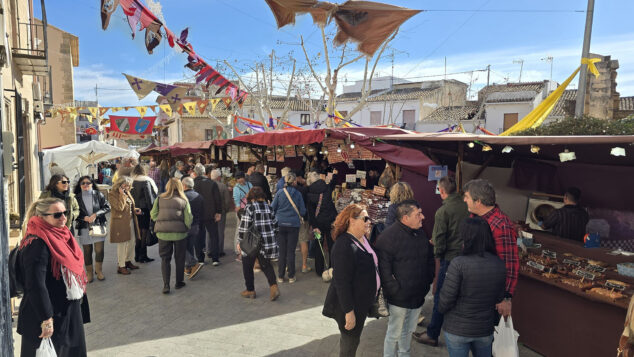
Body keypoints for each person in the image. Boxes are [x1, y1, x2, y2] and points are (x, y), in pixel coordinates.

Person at [17, 198, 90, 357]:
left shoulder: (64, 236)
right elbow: (35, 285)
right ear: (42, 217)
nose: (63, 218)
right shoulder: (37, 243)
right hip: (47, 316)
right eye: (57, 215)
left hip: (68, 312)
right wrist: (46, 319)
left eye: (65, 213)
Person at [438, 218, 506, 357]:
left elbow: (446, 299)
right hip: (484, 329)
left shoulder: (458, 263)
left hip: (457, 328)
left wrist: (440, 310)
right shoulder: (499, 264)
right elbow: (499, 297)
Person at [414, 176, 469, 347]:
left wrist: (436, 250)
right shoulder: (467, 206)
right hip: (467, 258)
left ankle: (432, 334)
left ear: (442, 191)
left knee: (440, 296)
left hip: (450, 259)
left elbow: (439, 239)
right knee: (461, 297)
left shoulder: (443, 211)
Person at [375, 200, 434, 357]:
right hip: (398, 299)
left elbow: (429, 259)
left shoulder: (421, 233)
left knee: (408, 331)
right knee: (394, 333)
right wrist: (394, 290)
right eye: (418, 214)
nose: (423, 217)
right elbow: (383, 270)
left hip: (417, 295)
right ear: (405, 218)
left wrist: (427, 282)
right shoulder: (387, 237)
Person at [322, 204, 377, 357]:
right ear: (352, 221)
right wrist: (349, 312)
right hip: (351, 306)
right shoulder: (344, 245)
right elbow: (341, 282)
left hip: (361, 302)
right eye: (365, 218)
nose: (369, 222)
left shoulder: (362, 239)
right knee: (349, 345)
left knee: (352, 342)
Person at [463, 179, 518, 318]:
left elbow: (509, 263)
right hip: (472, 288)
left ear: (478, 201)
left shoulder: (501, 225)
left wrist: (506, 297)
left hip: (490, 293)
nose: (464, 200)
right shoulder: (475, 218)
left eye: (467, 197)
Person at [237, 187, 280, 301]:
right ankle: (273, 286)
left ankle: (250, 290)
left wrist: (239, 241)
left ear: (252, 197)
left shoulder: (250, 208)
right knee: (266, 265)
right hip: (266, 243)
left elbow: (244, 227)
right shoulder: (269, 208)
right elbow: (276, 225)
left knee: (247, 266)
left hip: (252, 243)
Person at [151, 178, 193, 294]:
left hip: (163, 234)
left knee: (165, 259)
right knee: (179, 259)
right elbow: (188, 218)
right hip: (180, 234)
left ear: (168, 186)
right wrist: (186, 227)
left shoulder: (160, 198)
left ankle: (166, 285)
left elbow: (153, 214)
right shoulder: (184, 199)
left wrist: (160, 221)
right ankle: (179, 282)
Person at [73, 176, 111, 282]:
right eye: (83, 183)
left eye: (88, 183)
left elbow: (107, 207)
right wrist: (83, 217)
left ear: (92, 184)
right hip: (84, 227)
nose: (85, 185)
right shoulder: (76, 198)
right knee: (87, 251)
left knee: (99, 250)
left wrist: (96, 214)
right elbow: (73, 212)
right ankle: (89, 273)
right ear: (80, 185)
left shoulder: (99, 194)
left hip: (98, 225)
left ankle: (99, 271)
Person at [271, 172, 306, 284]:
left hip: (280, 224)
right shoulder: (298, 194)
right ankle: (291, 276)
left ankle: (280, 276)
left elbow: (272, 208)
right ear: (294, 181)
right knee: (291, 251)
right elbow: (303, 211)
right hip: (293, 225)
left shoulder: (279, 193)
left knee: (282, 251)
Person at [306, 170, 338, 277]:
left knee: (318, 245)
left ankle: (319, 270)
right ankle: (332, 268)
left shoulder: (309, 193)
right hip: (330, 222)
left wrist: (314, 226)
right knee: (331, 244)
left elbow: (310, 212)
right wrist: (335, 174)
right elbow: (334, 182)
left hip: (318, 224)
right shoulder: (327, 188)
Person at [109, 176, 142, 275]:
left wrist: (134, 209)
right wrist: (121, 195)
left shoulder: (127, 192)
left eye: (128, 185)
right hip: (120, 222)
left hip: (130, 220)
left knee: (132, 241)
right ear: (119, 184)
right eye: (125, 185)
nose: (127, 187)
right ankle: (121, 265)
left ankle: (128, 261)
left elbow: (129, 205)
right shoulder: (112, 194)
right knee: (122, 244)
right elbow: (119, 207)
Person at [193, 164, 222, 265]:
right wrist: (218, 212)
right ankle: (215, 258)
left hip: (197, 214)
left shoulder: (192, 184)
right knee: (214, 235)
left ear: (195, 173)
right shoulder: (211, 183)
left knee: (198, 236)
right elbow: (217, 199)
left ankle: (200, 258)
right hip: (210, 213)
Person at [131, 164, 158, 263]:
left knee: (138, 232)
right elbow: (149, 197)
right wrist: (152, 211)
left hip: (134, 209)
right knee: (144, 231)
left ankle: (137, 255)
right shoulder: (146, 181)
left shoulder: (131, 181)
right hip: (144, 209)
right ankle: (143, 255)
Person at [182, 177, 204, 279]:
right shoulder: (199, 196)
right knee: (189, 246)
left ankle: (193, 263)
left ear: (184, 185)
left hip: (185, 225)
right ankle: (188, 267)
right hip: (195, 225)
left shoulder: (183, 196)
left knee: (181, 247)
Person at [210, 168, 234, 257]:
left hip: (210, 211)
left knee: (210, 231)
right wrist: (226, 209)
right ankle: (220, 250)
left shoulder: (208, 184)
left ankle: (210, 249)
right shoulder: (223, 186)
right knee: (220, 231)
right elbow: (227, 200)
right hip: (221, 211)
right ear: (219, 177)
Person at [293, 173, 312, 273]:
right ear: (297, 178)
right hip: (302, 219)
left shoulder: (282, 191)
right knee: (303, 241)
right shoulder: (304, 190)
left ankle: (289, 266)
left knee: (290, 243)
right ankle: (304, 265)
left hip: (290, 220)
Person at [232, 171, 253, 261]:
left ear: (244, 177)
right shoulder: (236, 188)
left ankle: (249, 249)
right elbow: (236, 200)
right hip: (241, 211)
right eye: (238, 179)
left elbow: (253, 194)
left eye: (241, 178)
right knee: (240, 230)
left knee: (250, 230)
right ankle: (238, 251)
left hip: (250, 209)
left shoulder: (249, 184)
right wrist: (237, 208)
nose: (240, 181)